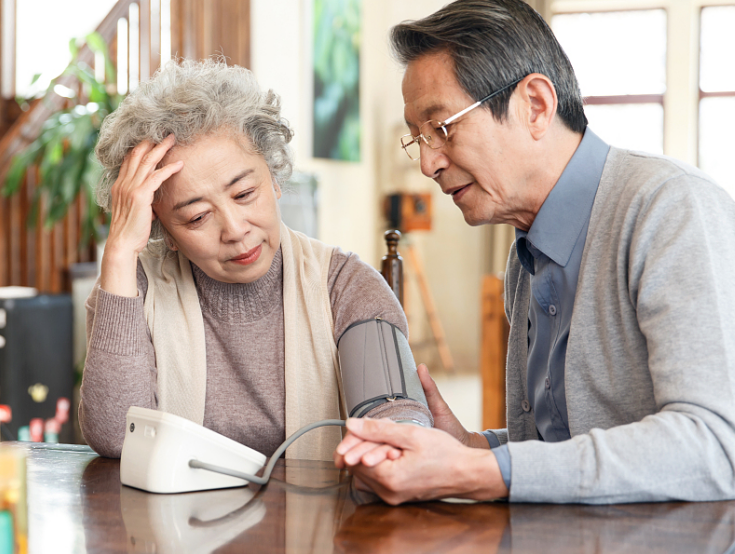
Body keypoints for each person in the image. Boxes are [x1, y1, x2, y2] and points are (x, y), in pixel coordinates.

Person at [334, 0, 735, 504]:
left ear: (536, 106)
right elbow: (559, 448)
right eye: (417, 139)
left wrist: (482, 472)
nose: (428, 164)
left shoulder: (672, 208)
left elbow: (716, 446)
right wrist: (471, 447)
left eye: (441, 127)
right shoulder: (526, 253)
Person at [79, 59, 432, 460]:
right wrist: (120, 253)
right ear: (165, 231)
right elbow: (116, 437)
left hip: (322, 522)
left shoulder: (346, 286)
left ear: (275, 176)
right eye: (196, 217)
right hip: (178, 522)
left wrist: (402, 430)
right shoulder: (135, 290)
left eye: (245, 193)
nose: (234, 229)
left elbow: (395, 423)